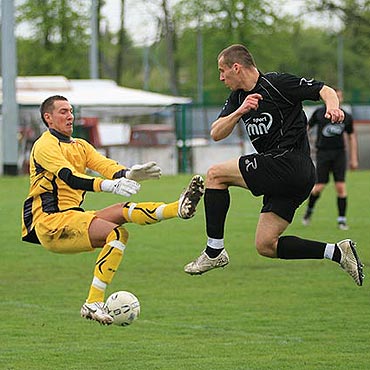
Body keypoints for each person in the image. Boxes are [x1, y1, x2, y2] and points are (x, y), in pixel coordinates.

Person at [183, 44, 364, 287]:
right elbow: (216, 132)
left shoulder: (277, 83)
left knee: (215, 175)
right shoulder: (237, 97)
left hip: (291, 163)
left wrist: (332, 107)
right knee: (266, 245)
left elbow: (325, 90)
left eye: (222, 70)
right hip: (287, 176)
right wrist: (240, 111)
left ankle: (214, 252)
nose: (221, 77)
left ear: (236, 67)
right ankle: (338, 252)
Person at [21, 95, 205, 325]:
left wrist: (128, 173)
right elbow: (70, 177)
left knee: (122, 210)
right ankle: (93, 301)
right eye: (63, 112)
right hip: (51, 223)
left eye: (70, 111)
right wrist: (107, 185)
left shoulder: (80, 145)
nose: (70, 116)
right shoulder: (44, 145)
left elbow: (104, 165)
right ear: (48, 118)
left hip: (72, 216)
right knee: (117, 234)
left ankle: (178, 208)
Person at [302, 89, 358, 230]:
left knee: (340, 187)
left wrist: (353, 158)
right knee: (318, 187)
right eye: (334, 96)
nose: (336, 99)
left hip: (339, 154)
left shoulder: (347, 116)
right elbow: (306, 128)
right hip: (323, 153)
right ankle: (309, 211)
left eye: (339, 97)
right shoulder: (320, 113)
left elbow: (351, 137)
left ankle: (342, 220)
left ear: (341, 99)